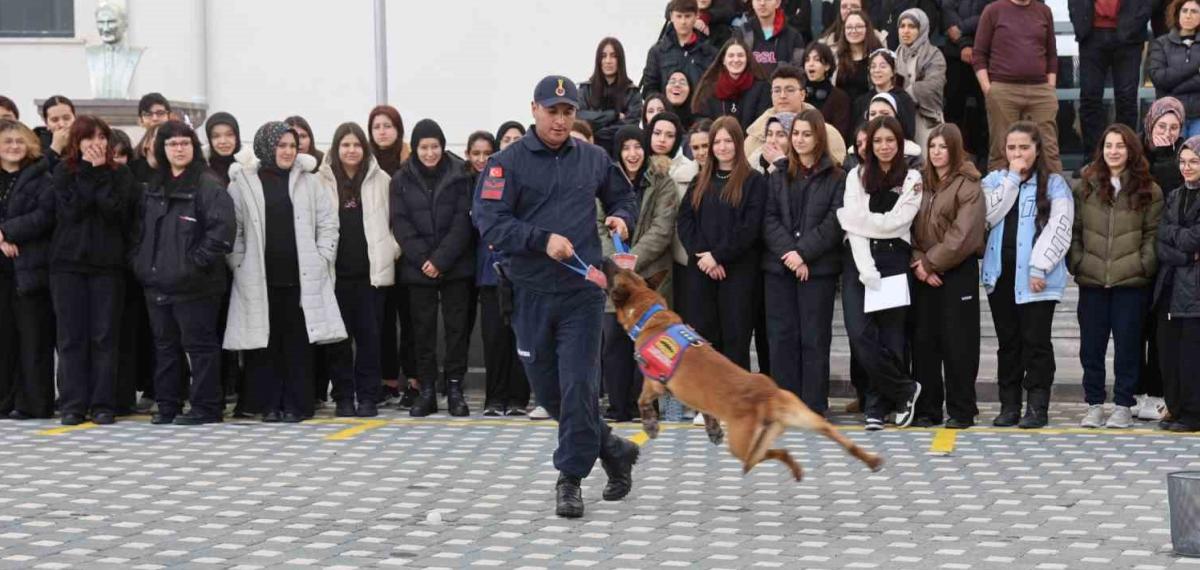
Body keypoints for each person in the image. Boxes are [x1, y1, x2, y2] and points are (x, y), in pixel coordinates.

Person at [473, 75, 639, 518]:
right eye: (552, 111)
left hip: (581, 295)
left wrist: (622, 217)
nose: (561, 120)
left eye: (568, 112)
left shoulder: (593, 158)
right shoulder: (505, 164)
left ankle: (570, 478)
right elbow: (489, 221)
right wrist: (541, 239)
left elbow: (623, 196)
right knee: (552, 395)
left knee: (579, 386)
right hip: (528, 292)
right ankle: (614, 449)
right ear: (534, 110)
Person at [224, 121, 345, 423]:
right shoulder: (242, 183)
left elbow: (328, 224)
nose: (289, 151)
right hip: (259, 278)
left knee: (297, 345)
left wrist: (322, 257)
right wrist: (238, 263)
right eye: (282, 146)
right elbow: (234, 230)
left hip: (301, 278)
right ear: (267, 147)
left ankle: (297, 405)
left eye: (292, 145)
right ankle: (269, 404)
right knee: (265, 345)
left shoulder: (310, 182)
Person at [131, 120, 235, 425]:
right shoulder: (154, 185)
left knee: (200, 348)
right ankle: (168, 405)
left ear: (194, 147)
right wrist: (140, 262)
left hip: (197, 284)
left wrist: (194, 264)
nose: (179, 149)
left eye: (185, 143)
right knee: (165, 348)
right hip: (156, 282)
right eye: (172, 144)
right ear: (161, 149)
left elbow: (222, 231)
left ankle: (206, 407)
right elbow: (138, 231)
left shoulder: (207, 183)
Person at [1069, 124, 1163, 429]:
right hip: (1092, 282)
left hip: (1130, 284)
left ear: (1131, 149)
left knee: (1128, 348)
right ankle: (1094, 405)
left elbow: (1153, 235)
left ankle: (1123, 405)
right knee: (1091, 348)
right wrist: (1078, 262)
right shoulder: (1085, 186)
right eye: (1108, 145)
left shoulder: (1149, 189)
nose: (1113, 151)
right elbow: (1075, 230)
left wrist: (1143, 265)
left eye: (1120, 146)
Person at [981, 121, 1073, 429]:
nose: (1017, 153)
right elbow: (987, 215)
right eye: (1011, 148)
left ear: (1037, 149)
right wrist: (1011, 179)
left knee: (1036, 342)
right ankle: (1009, 405)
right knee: (1008, 344)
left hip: (1036, 279)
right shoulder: (995, 180)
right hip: (1000, 275)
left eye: (1024, 147)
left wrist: (1039, 266)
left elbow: (1060, 227)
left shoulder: (1055, 184)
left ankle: (1037, 405)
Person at [836, 115, 924, 430]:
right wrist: (866, 268)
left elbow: (897, 223)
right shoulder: (856, 176)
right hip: (859, 261)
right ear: (869, 145)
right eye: (877, 141)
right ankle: (905, 390)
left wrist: (860, 221)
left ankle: (877, 405)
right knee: (860, 334)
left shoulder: (912, 177)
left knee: (890, 337)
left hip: (894, 259)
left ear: (899, 143)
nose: (884, 146)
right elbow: (853, 229)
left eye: (890, 140)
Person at [49, 115, 135, 426]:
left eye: (101, 137)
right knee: (71, 337)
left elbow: (116, 213)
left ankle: (102, 403)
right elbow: (72, 211)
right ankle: (73, 403)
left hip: (107, 267)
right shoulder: (63, 171)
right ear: (77, 142)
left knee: (104, 336)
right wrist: (88, 171)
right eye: (89, 137)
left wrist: (100, 173)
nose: (96, 144)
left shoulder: (121, 174)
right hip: (67, 265)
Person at [762, 109, 845, 413]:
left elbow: (834, 222)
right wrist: (791, 255)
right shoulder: (778, 175)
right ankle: (786, 405)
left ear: (819, 137)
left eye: (806, 134)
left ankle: (813, 405)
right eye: (795, 133)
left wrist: (804, 253)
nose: (799, 139)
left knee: (814, 338)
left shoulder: (837, 177)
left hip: (817, 271)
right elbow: (768, 219)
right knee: (781, 338)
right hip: (780, 269)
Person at [391, 119, 475, 417]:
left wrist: (441, 260)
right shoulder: (401, 179)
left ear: (443, 146)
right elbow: (400, 223)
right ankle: (426, 390)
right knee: (422, 332)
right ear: (415, 148)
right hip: (418, 268)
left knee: (457, 330)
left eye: (435, 146)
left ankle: (454, 388)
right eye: (424, 147)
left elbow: (463, 222)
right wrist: (424, 259)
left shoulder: (460, 174)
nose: (430, 153)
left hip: (455, 266)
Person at [315, 122, 398, 418]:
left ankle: (367, 396)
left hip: (371, 277)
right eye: (345, 145)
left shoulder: (381, 180)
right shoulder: (320, 181)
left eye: (356, 145)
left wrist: (390, 250)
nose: (351, 150)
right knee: (338, 342)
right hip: (334, 277)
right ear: (336, 148)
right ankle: (343, 397)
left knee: (369, 341)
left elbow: (395, 224)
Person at [600, 125, 679, 422]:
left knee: (649, 343)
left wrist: (631, 259)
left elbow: (662, 228)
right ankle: (618, 406)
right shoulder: (605, 182)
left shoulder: (662, 181)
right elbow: (598, 227)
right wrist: (617, 262)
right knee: (613, 342)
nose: (632, 154)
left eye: (637, 147)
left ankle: (644, 405)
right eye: (626, 148)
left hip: (650, 279)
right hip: (615, 279)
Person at [909, 124, 985, 429]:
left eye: (943, 146)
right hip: (922, 272)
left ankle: (962, 409)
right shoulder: (920, 182)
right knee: (924, 342)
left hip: (957, 271)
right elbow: (907, 225)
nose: (937, 152)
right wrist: (919, 262)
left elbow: (963, 234)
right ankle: (927, 409)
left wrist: (930, 263)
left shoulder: (969, 184)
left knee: (959, 344)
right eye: (932, 146)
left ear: (955, 149)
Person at [677, 116, 767, 370]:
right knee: (704, 343)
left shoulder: (753, 181)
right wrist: (703, 254)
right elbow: (685, 221)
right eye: (717, 142)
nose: (722, 147)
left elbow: (749, 228)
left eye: (728, 141)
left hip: (738, 274)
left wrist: (718, 256)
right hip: (702, 272)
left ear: (738, 143)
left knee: (735, 343)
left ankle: (735, 396)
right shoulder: (700, 180)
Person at [0, 119, 56, 419]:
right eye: (7, 141)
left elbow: (45, 215)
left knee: (33, 337)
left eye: (19, 141)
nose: (14, 146)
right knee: (4, 337)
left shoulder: (42, 176)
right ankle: (4, 400)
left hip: (30, 266)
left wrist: (7, 232)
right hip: (2, 266)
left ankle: (33, 402)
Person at [1138, 97, 1185, 422]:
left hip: (1167, 263)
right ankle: (1134, 392)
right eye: (1161, 126)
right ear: (1150, 124)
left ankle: (1157, 394)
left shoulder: (1184, 159)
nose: (1166, 133)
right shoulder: (1136, 154)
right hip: (1135, 257)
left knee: (1160, 336)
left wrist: (1168, 157)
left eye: (1174, 127)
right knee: (1133, 332)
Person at [973, 0, 1062, 173]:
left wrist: (1050, 87)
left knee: (1048, 148)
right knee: (1002, 148)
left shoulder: (1044, 11)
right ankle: (999, 189)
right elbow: (979, 54)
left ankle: (1054, 188)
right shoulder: (993, 10)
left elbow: (1052, 54)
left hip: (1040, 90)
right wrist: (988, 89)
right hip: (1003, 89)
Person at [369, 105, 417, 407]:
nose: (382, 132)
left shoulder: (410, 163)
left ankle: (414, 380)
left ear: (398, 129)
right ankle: (386, 381)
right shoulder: (366, 164)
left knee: (411, 320)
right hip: (377, 255)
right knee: (382, 321)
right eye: (376, 127)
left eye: (388, 126)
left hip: (409, 253)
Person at [1155, 135, 1200, 431]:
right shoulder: (1173, 195)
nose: (1186, 167)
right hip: (1170, 285)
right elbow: (1161, 237)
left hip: (1194, 290)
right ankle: (1176, 407)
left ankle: (1193, 414)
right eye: (1183, 162)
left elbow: (1194, 237)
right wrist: (1185, 255)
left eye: (1194, 161)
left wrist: (1176, 237)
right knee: (1169, 353)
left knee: (1191, 357)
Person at [1069, 0, 1151, 157]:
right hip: (1091, 33)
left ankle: (1126, 157)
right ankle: (1093, 158)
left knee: (1127, 99)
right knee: (1090, 98)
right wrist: (1078, 18)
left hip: (1130, 34)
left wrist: (1138, 19)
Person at [942, 0, 992, 167]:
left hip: (987, 55)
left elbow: (990, 13)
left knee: (987, 112)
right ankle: (953, 160)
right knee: (953, 111)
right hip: (955, 55)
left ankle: (986, 161)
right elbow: (946, 9)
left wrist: (962, 28)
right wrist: (964, 44)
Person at [579, 37, 643, 155]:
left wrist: (596, 130)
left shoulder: (632, 92)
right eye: (603, 56)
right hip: (589, 152)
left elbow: (629, 127)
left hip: (621, 154)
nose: (608, 61)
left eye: (613, 56)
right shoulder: (585, 89)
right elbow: (579, 118)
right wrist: (613, 115)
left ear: (620, 60)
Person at [643, 0, 719, 97]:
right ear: (671, 16)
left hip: (699, 106)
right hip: (666, 106)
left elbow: (714, 89)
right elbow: (649, 88)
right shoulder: (657, 52)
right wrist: (657, 103)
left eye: (688, 16)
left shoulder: (710, 53)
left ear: (696, 16)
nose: (683, 22)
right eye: (679, 16)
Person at [692, 38, 772, 128]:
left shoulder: (762, 88)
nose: (736, 60)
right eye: (731, 56)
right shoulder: (709, 89)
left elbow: (763, 123)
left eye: (740, 55)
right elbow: (702, 121)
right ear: (723, 60)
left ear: (747, 59)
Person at [895, 8, 946, 148]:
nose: (906, 31)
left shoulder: (934, 55)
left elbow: (934, 85)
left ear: (922, 29)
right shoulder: (895, 55)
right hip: (899, 118)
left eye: (912, 26)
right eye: (902, 26)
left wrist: (905, 96)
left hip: (926, 118)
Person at [1150, 0, 1200, 138]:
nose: (1188, 15)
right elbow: (1159, 79)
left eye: (1194, 11)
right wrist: (1195, 68)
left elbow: (1167, 81)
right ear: (1177, 14)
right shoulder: (1161, 43)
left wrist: (1175, 88)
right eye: (1184, 11)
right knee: (1173, 152)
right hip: (1170, 116)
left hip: (1198, 116)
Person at [852, 49, 918, 143]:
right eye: (873, 67)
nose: (877, 70)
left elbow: (908, 132)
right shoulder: (861, 101)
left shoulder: (903, 99)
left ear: (893, 71)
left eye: (883, 66)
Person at [735, 0, 809, 73]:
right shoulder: (743, 32)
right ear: (752, 3)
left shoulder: (793, 36)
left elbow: (798, 69)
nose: (762, 3)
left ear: (777, 3)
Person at [803, 42, 854, 141]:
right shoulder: (799, 93)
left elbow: (840, 134)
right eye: (807, 60)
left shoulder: (840, 97)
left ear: (827, 66)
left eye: (817, 60)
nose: (810, 64)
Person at [832, 11, 885, 105]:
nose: (853, 31)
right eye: (849, 27)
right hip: (841, 110)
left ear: (867, 29)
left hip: (870, 109)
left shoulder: (879, 55)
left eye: (859, 26)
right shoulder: (835, 56)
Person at [34, 95, 74, 166]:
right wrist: (55, 147)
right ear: (46, 123)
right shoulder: (35, 143)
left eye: (66, 118)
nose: (61, 124)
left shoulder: (86, 138)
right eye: (55, 120)